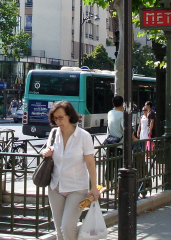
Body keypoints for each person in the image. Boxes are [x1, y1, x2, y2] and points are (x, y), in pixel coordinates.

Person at [41, 101, 100, 240]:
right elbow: (48, 149)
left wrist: (94, 187)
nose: (58, 121)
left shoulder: (83, 136)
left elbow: (90, 163)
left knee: (67, 226)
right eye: (55, 118)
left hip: (77, 188)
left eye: (61, 117)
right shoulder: (54, 133)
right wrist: (46, 152)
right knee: (59, 232)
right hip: (55, 187)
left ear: (69, 116)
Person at [104, 95, 124, 186]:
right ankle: (117, 187)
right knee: (119, 166)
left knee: (109, 165)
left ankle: (107, 186)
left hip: (109, 143)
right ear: (122, 104)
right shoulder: (122, 115)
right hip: (119, 144)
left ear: (113, 104)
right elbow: (124, 128)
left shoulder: (110, 113)